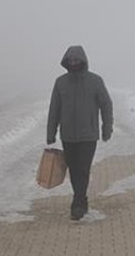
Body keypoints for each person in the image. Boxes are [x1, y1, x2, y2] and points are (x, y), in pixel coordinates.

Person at [47, 44, 113, 220]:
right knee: (74, 169)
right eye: (71, 60)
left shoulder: (95, 81)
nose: (74, 62)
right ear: (66, 61)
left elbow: (106, 105)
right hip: (68, 135)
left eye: (77, 60)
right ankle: (80, 198)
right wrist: (50, 133)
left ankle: (78, 203)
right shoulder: (60, 82)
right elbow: (55, 109)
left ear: (83, 60)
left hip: (88, 135)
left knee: (83, 168)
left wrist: (107, 128)